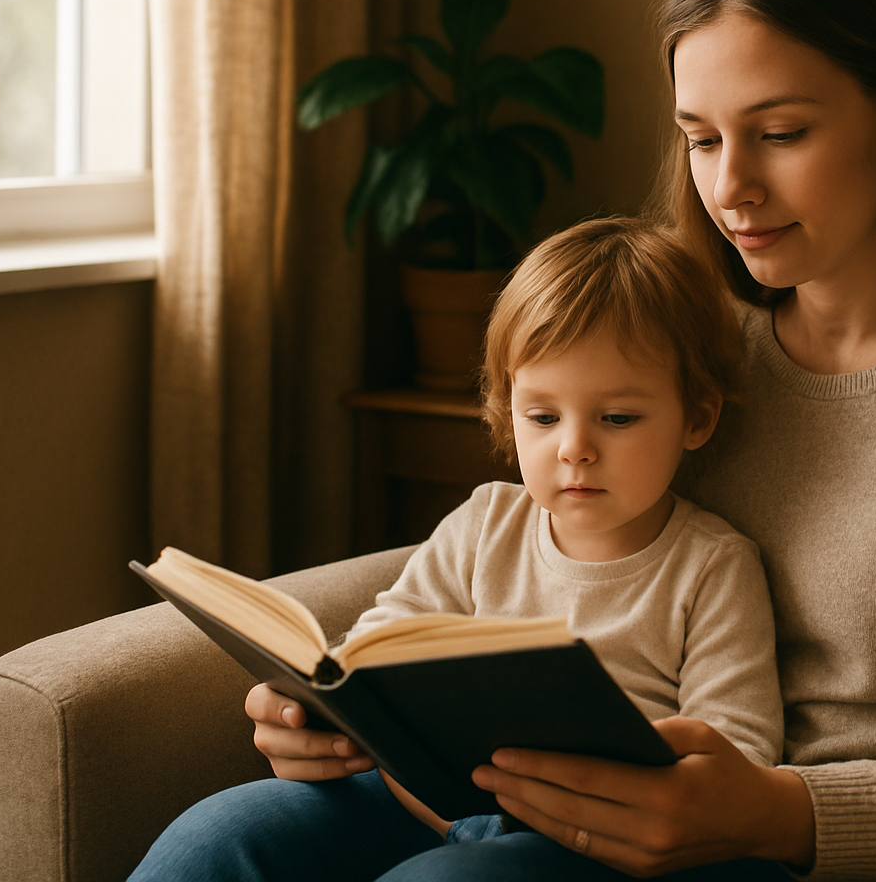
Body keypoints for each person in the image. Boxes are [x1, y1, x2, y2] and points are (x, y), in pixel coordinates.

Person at [154, 0, 876, 882]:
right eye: (703, 139)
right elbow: (541, 557)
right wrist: (338, 711)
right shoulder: (686, 337)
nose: (731, 189)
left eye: (781, 133)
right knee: (218, 841)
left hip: (763, 846)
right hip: (525, 795)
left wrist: (774, 809)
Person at [128, 218, 784, 880]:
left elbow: (741, 756)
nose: (574, 448)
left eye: (617, 418)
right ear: (508, 409)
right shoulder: (484, 523)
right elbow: (381, 647)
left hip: (586, 844)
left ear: (696, 417)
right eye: (543, 416)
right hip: (418, 804)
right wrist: (324, 704)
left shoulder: (712, 566)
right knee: (215, 835)